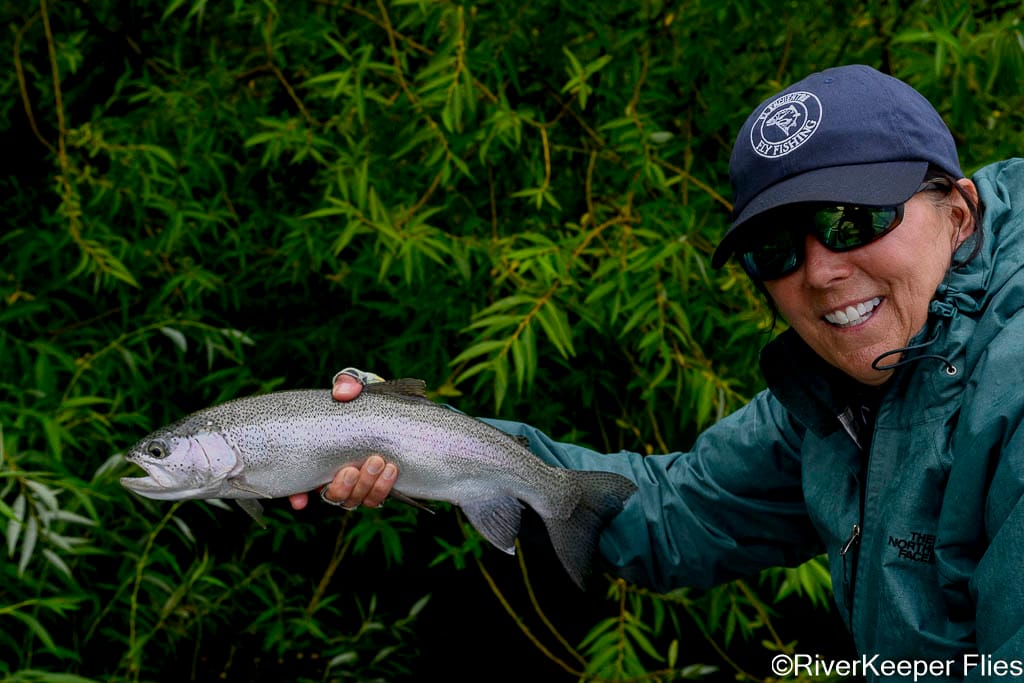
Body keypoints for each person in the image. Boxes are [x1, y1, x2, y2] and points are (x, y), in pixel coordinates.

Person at [289, 65, 1024, 675]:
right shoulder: (841, 388)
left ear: (958, 211)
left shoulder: (1011, 393)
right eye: (775, 249)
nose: (823, 270)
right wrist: (422, 435)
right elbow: (678, 511)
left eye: (853, 219)